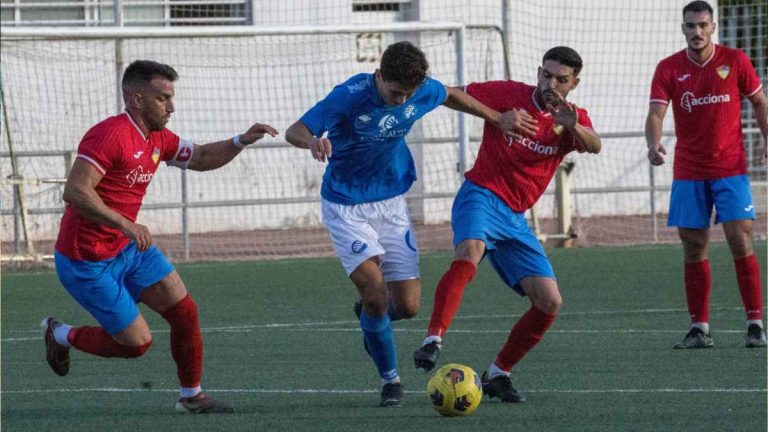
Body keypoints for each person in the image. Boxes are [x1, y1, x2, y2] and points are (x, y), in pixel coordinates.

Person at [285, 41, 518, 407]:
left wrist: (496, 117)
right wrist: (312, 141)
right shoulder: (348, 96)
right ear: (379, 77)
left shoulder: (419, 90)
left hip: (392, 204)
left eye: (407, 94)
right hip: (347, 207)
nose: (401, 100)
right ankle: (390, 380)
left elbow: (451, 95)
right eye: (395, 92)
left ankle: (368, 316)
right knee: (377, 294)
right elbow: (294, 129)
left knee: (407, 306)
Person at [41, 60, 278, 413]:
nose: (171, 106)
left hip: (129, 248)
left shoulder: (158, 139)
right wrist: (125, 223)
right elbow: (75, 191)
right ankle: (61, 335)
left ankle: (191, 396)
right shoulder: (109, 135)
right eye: (162, 98)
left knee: (185, 312)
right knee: (136, 344)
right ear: (136, 99)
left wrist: (239, 141)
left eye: (171, 97)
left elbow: (200, 156)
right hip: (86, 259)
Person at [412, 46, 602, 403]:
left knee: (549, 302)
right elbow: (448, 94)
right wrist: (496, 116)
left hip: (515, 219)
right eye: (546, 74)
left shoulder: (571, 118)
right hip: (481, 195)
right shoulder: (509, 95)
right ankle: (432, 339)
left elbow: (595, 145)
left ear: (574, 83)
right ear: (538, 71)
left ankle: (498, 373)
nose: (551, 83)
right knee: (470, 250)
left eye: (561, 79)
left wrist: (574, 126)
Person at [645, 1, 767, 349]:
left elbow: (760, 101)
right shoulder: (668, 68)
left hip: (730, 167)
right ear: (683, 29)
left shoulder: (736, 60)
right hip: (688, 170)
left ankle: (755, 323)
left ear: (713, 27)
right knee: (693, 245)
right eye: (690, 26)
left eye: (702, 25)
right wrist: (654, 145)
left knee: (739, 239)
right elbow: (655, 113)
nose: (696, 32)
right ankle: (700, 327)